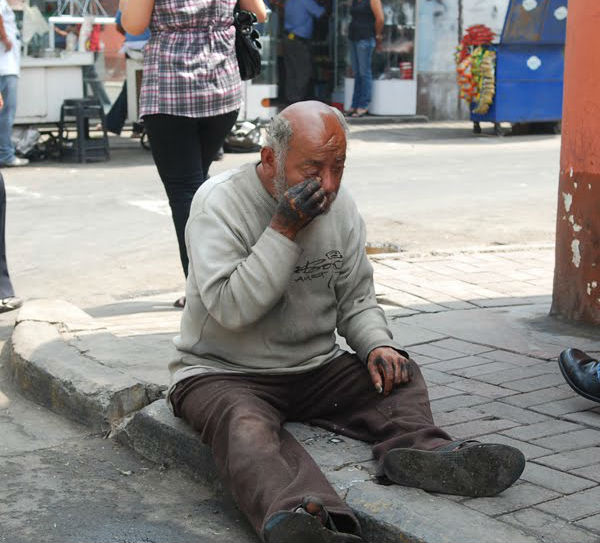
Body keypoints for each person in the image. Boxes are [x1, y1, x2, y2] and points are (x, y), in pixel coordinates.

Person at [166, 101, 526, 543]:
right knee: (245, 427)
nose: (329, 184)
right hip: (225, 371)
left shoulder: (340, 206)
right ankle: (304, 516)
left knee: (400, 375)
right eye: (313, 169)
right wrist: (283, 230)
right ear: (270, 160)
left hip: (314, 367)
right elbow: (233, 310)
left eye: (339, 167)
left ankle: (422, 453)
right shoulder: (218, 204)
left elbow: (356, 296)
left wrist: (377, 344)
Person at [120, 0, 267, 309]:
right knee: (200, 187)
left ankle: (202, 287)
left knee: (186, 191)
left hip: (172, 88)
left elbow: (133, 24)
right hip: (222, 88)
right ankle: (225, 276)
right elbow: (261, 13)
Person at [105, 10, 150, 136]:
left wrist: (132, 34)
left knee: (132, 85)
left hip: (131, 47)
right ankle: (136, 126)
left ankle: (116, 123)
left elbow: (119, 26)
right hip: (151, 46)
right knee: (143, 86)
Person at [0, 0, 27, 167]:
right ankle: (5, 154)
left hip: (7, 66)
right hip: (5, 67)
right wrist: (6, 40)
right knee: (6, 114)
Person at [282, 0, 325, 104]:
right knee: (303, 71)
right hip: (299, 41)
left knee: (291, 71)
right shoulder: (306, 1)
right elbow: (321, 13)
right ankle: (297, 100)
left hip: (288, 38)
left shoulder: (289, 1)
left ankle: (291, 98)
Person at [347, 0, 384, 118]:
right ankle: (354, 105)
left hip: (366, 37)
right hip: (353, 37)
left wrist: (377, 35)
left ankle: (363, 105)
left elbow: (380, 19)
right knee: (357, 73)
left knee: (364, 73)